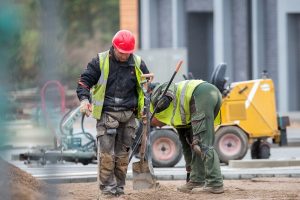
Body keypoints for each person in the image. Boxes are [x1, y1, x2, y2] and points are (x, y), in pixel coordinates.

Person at [76, 30, 150, 197]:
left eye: (127, 53)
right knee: (107, 156)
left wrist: (147, 102)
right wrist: (84, 100)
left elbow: (147, 87)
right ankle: (108, 192)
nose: (124, 56)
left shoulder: (138, 63)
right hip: (107, 114)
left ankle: (119, 190)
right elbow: (84, 82)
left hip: (129, 115)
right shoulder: (100, 61)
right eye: (121, 53)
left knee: (123, 157)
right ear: (114, 47)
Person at [150, 79, 224, 194]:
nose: (158, 127)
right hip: (206, 96)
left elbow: (166, 85)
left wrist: (166, 98)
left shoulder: (155, 101)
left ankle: (215, 183)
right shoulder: (176, 117)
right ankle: (196, 180)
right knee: (194, 144)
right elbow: (186, 148)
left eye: (153, 124)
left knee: (203, 143)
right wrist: (190, 173)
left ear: (153, 116)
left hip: (202, 94)